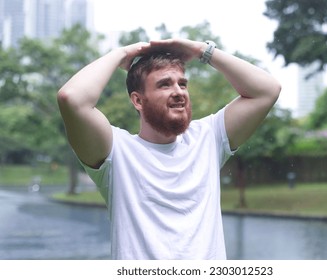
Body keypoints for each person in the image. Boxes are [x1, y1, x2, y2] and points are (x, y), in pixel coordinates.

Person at [57, 38, 281, 259]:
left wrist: (202, 50)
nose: (179, 92)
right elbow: (72, 98)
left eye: (182, 84)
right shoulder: (116, 152)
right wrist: (122, 54)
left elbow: (267, 90)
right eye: (165, 84)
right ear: (138, 100)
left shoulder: (208, 138)